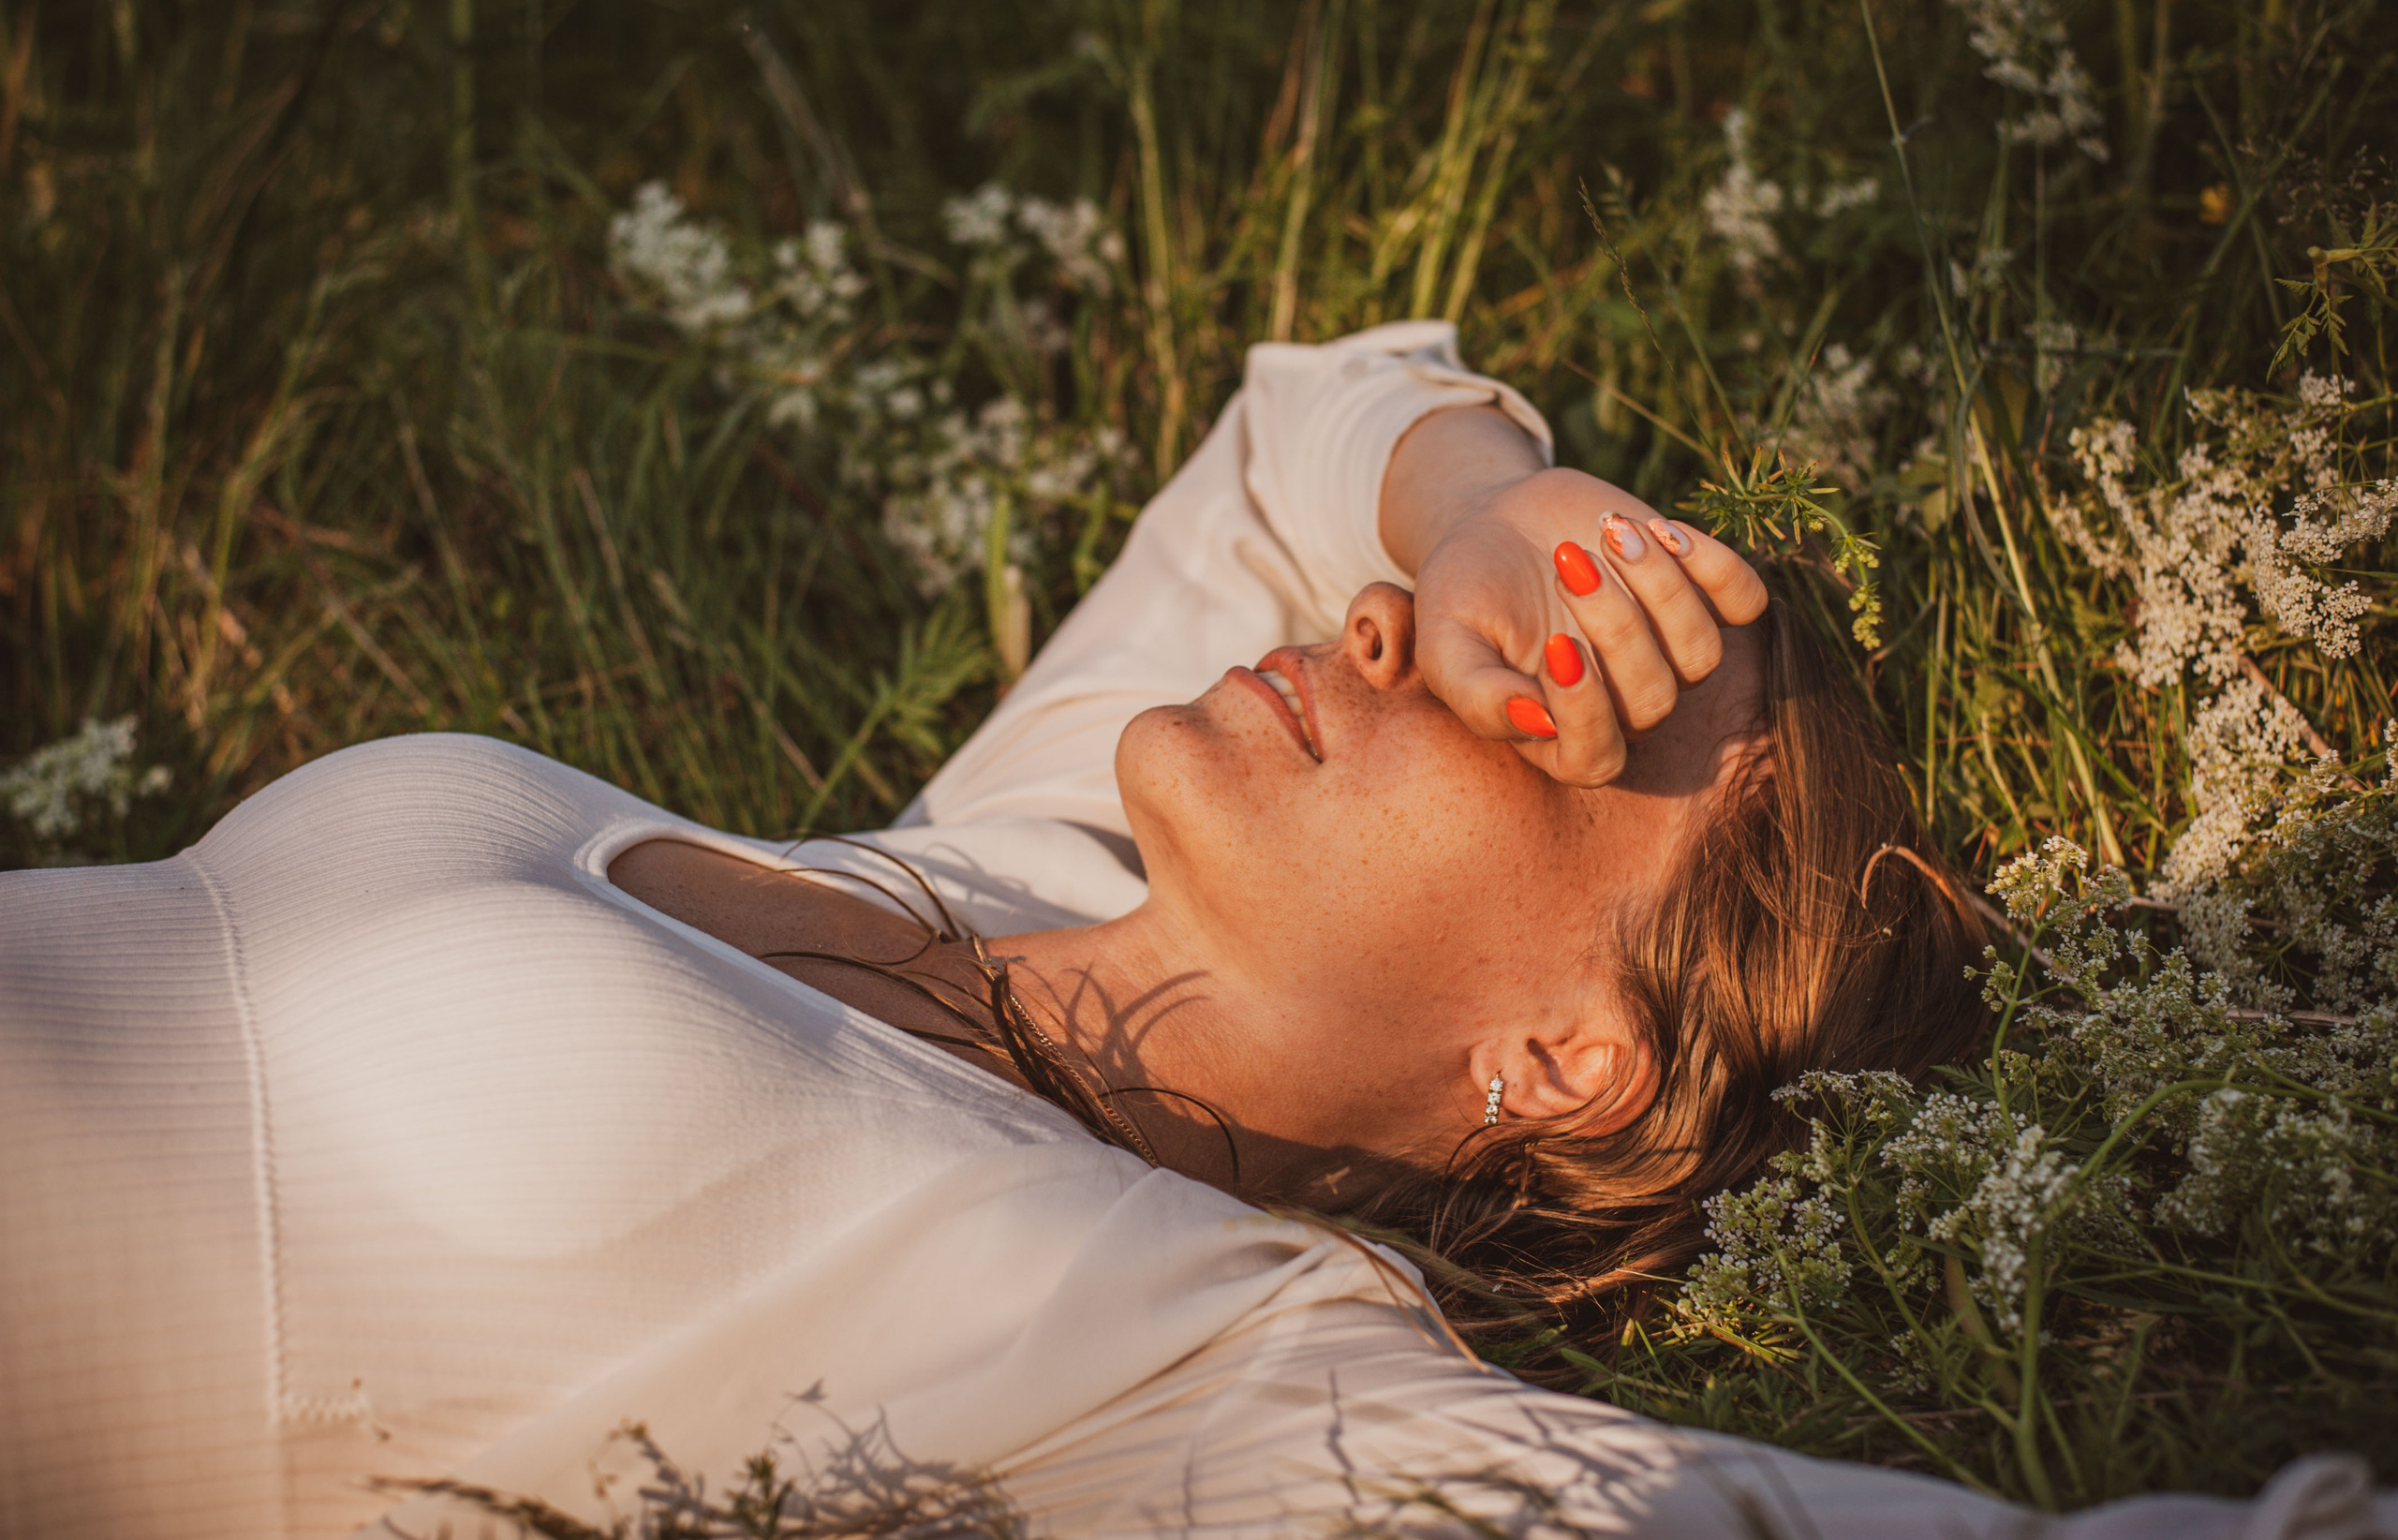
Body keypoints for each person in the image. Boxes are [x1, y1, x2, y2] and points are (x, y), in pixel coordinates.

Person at [1, 322, 2386, 1540]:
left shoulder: (1179, 1349)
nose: (1390, 624)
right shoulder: (1019, 863)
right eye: (1499, 618)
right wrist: (1499, 497)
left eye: (1546, 708)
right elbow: (1297, 426)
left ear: (1570, 1060)